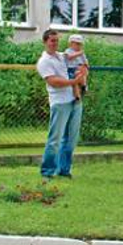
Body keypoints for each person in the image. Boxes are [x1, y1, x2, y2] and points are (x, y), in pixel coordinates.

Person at [36, 29, 86, 180]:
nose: (55, 43)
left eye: (57, 40)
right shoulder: (44, 61)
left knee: (71, 139)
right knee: (55, 139)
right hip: (60, 103)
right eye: (52, 41)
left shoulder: (61, 56)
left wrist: (82, 67)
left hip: (74, 100)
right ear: (45, 42)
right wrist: (73, 82)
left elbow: (75, 58)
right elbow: (53, 82)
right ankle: (47, 172)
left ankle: (64, 170)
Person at [64, 34, 90, 101]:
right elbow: (69, 57)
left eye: (80, 44)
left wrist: (86, 64)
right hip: (70, 69)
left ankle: (84, 87)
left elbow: (85, 61)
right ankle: (77, 96)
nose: (79, 46)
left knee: (81, 75)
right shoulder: (68, 51)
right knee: (74, 82)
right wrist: (79, 53)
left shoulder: (81, 52)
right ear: (71, 44)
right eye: (77, 44)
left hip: (79, 69)